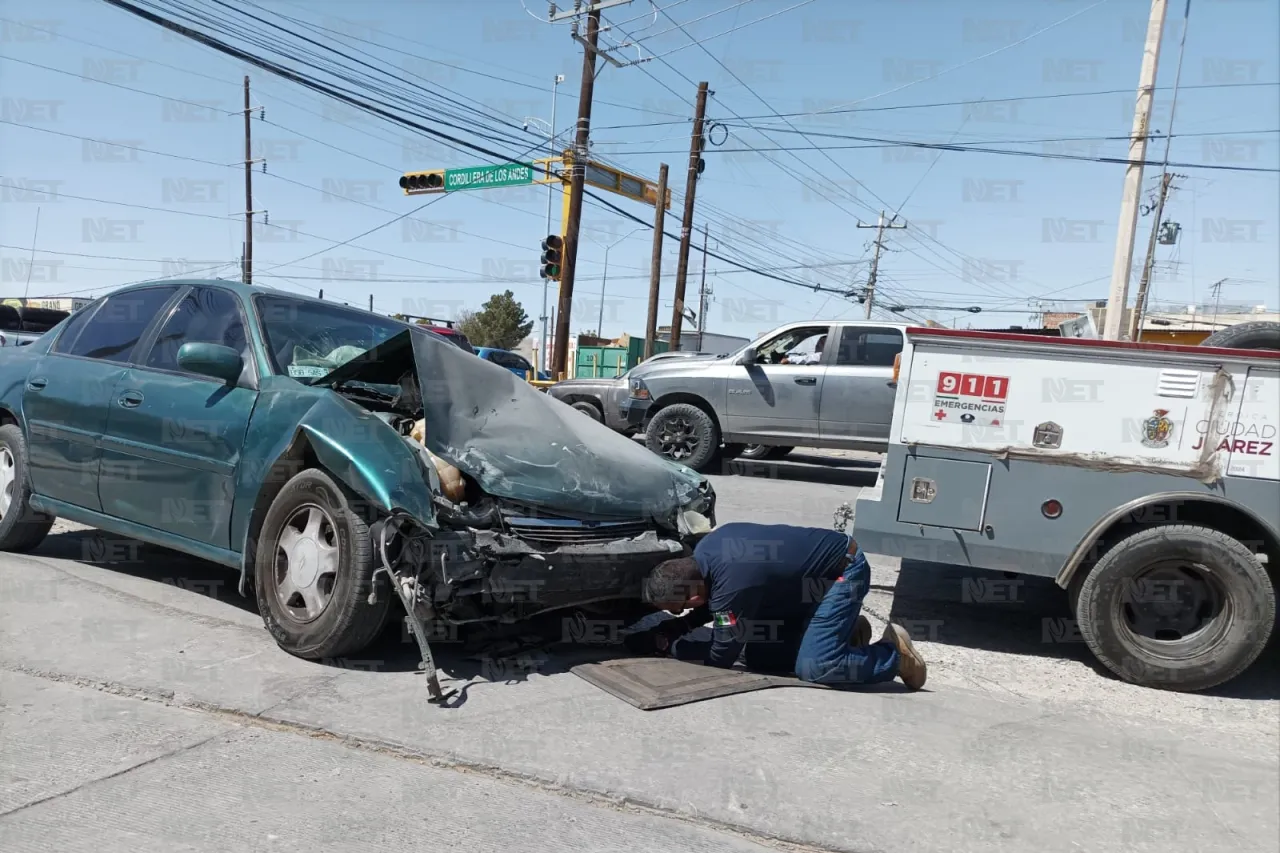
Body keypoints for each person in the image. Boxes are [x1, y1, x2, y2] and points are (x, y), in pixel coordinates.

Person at [628, 522, 926, 690]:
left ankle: (893, 655)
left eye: (678, 608)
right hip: (804, 582)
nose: (681, 613)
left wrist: (672, 647)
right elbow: (718, 605)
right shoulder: (706, 552)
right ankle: (844, 637)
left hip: (843, 572)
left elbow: (722, 655)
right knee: (761, 652)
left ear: (691, 597)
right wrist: (677, 627)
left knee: (816, 667)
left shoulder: (734, 582)